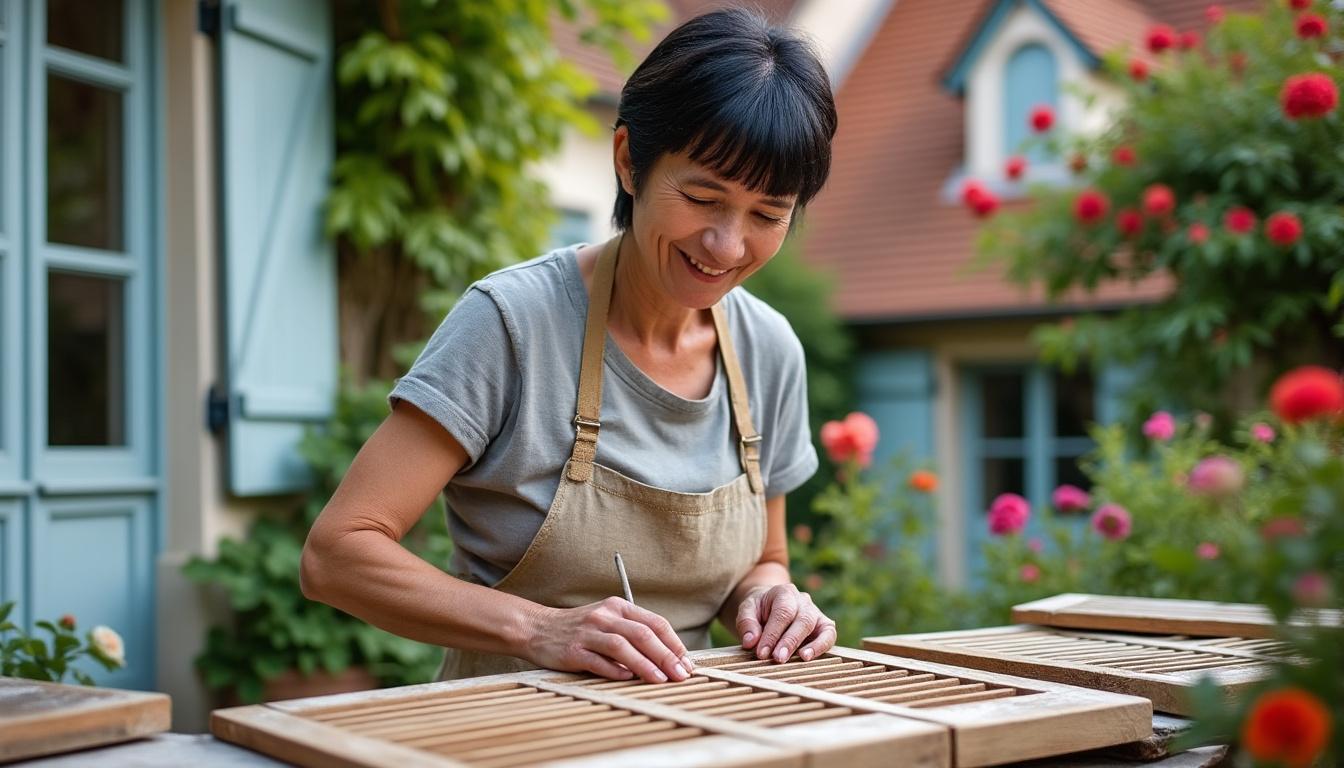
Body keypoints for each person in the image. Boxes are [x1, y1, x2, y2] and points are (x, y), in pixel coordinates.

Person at [301, 7, 839, 684]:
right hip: (507, 739)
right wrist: (540, 629)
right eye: (703, 197)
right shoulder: (512, 323)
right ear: (629, 161)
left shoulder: (769, 351)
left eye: (767, 215)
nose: (727, 245)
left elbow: (767, 558)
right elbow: (337, 555)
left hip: (697, 737)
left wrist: (771, 598)